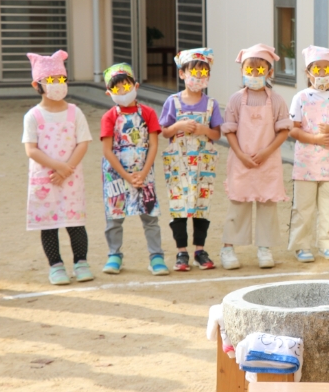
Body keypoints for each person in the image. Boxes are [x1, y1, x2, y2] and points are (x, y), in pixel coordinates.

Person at [23, 50, 93, 285]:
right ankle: (56, 266)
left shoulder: (75, 112)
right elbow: (31, 149)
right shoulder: (33, 116)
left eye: (61, 79)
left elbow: (83, 142)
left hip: (71, 178)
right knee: (49, 224)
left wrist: (67, 169)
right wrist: (58, 167)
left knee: (75, 222)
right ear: (37, 85)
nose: (57, 84)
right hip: (46, 179)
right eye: (50, 80)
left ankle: (81, 263)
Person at [220, 44, 292, 270]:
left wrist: (266, 152)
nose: (254, 74)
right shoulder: (235, 100)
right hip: (240, 161)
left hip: (268, 162)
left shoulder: (277, 100)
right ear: (242, 71)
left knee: (267, 205)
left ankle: (264, 248)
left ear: (269, 72)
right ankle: (228, 248)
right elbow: (229, 130)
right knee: (238, 204)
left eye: (259, 70)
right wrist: (241, 155)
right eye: (249, 69)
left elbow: (284, 131)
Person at [100, 63, 168, 276]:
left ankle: (156, 256)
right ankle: (114, 254)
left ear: (136, 86)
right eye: (117, 88)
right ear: (109, 92)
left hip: (143, 172)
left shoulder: (148, 113)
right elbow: (107, 150)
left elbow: (154, 145)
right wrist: (127, 176)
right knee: (114, 216)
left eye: (126, 86)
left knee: (150, 215)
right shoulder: (109, 117)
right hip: (116, 175)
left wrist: (143, 173)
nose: (122, 91)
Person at [288, 45, 329, 263]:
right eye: (317, 69)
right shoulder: (300, 97)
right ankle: (302, 245)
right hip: (305, 163)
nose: (323, 73)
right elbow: (293, 130)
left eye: (327, 69)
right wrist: (315, 139)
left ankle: (327, 244)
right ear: (308, 72)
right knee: (303, 206)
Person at [160, 48, 222, 272]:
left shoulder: (211, 104)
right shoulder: (172, 101)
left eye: (203, 72)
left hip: (203, 167)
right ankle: (181, 251)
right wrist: (178, 126)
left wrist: (205, 130)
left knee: (201, 207)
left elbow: (217, 134)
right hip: (178, 166)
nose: (198, 76)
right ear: (182, 74)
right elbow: (164, 131)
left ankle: (200, 250)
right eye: (193, 72)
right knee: (178, 207)